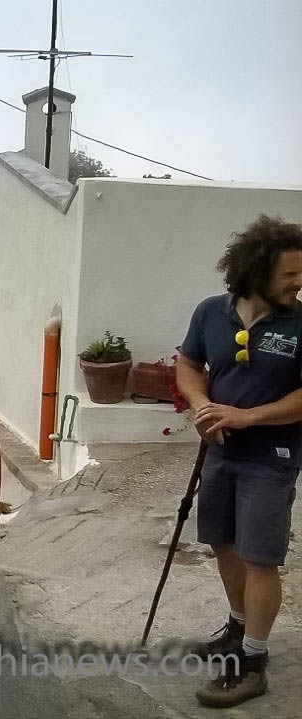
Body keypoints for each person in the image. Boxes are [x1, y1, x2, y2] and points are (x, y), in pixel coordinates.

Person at [175, 216, 302, 709]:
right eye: (289, 273)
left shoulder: (299, 322)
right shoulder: (211, 312)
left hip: (273, 457)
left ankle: (252, 661)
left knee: (260, 556)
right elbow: (189, 364)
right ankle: (238, 628)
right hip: (220, 452)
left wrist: (248, 417)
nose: (299, 281)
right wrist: (201, 406)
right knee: (222, 543)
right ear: (253, 271)